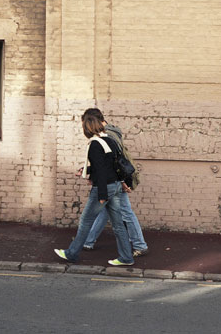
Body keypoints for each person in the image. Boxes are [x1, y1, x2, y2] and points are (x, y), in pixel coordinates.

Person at [54, 114, 135, 266]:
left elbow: (102, 171)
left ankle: (72, 253)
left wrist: (102, 195)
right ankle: (126, 257)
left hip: (103, 188)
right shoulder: (110, 141)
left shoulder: (95, 145)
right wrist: (87, 169)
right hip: (116, 186)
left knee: (86, 221)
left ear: (87, 128)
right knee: (118, 225)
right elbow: (111, 165)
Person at [78, 108, 150, 257]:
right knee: (105, 210)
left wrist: (122, 181)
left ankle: (140, 245)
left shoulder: (107, 136)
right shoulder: (113, 132)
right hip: (116, 179)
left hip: (115, 180)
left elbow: (113, 162)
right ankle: (88, 241)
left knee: (125, 212)